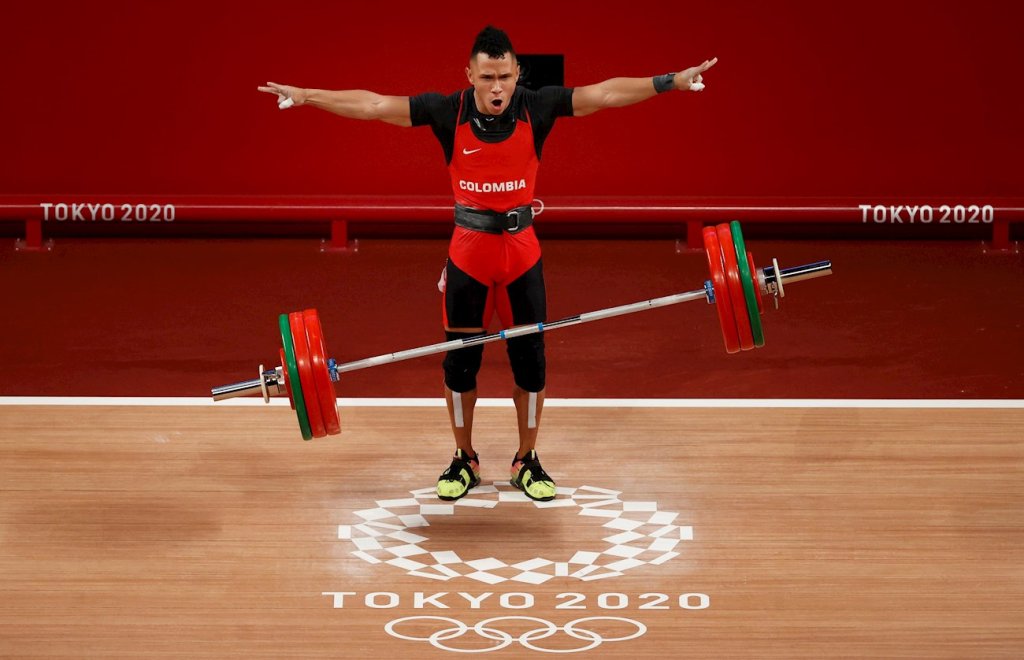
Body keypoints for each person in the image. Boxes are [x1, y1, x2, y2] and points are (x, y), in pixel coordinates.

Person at [259, 26, 716, 503]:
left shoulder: (535, 107)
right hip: (468, 257)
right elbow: (375, 106)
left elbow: (603, 94)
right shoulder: (445, 111)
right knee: (459, 366)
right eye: (487, 77)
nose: (497, 88)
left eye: (504, 76)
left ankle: (527, 459)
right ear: (470, 76)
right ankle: (464, 459)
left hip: (522, 256)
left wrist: (670, 81)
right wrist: (306, 95)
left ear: (518, 73)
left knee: (531, 366)